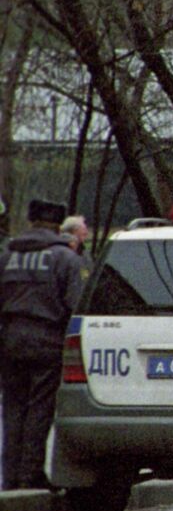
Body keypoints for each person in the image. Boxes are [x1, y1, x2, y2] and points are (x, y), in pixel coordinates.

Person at [1, 199, 88, 491]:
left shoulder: (7, 256)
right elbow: (76, 305)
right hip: (47, 340)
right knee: (40, 407)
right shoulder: (65, 259)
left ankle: (10, 475)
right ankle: (30, 474)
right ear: (57, 224)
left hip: (10, 339)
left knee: (12, 408)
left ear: (31, 220)